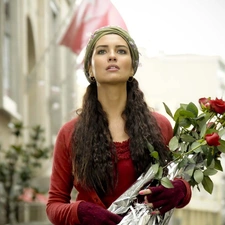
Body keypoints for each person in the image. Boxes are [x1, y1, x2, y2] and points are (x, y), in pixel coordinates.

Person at [46, 26, 192, 225]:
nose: (112, 56)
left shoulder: (161, 126)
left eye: (121, 51)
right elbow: (54, 205)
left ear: (132, 67)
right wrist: (80, 211)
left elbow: (180, 180)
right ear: (90, 68)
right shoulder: (69, 133)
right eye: (102, 51)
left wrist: (181, 190)